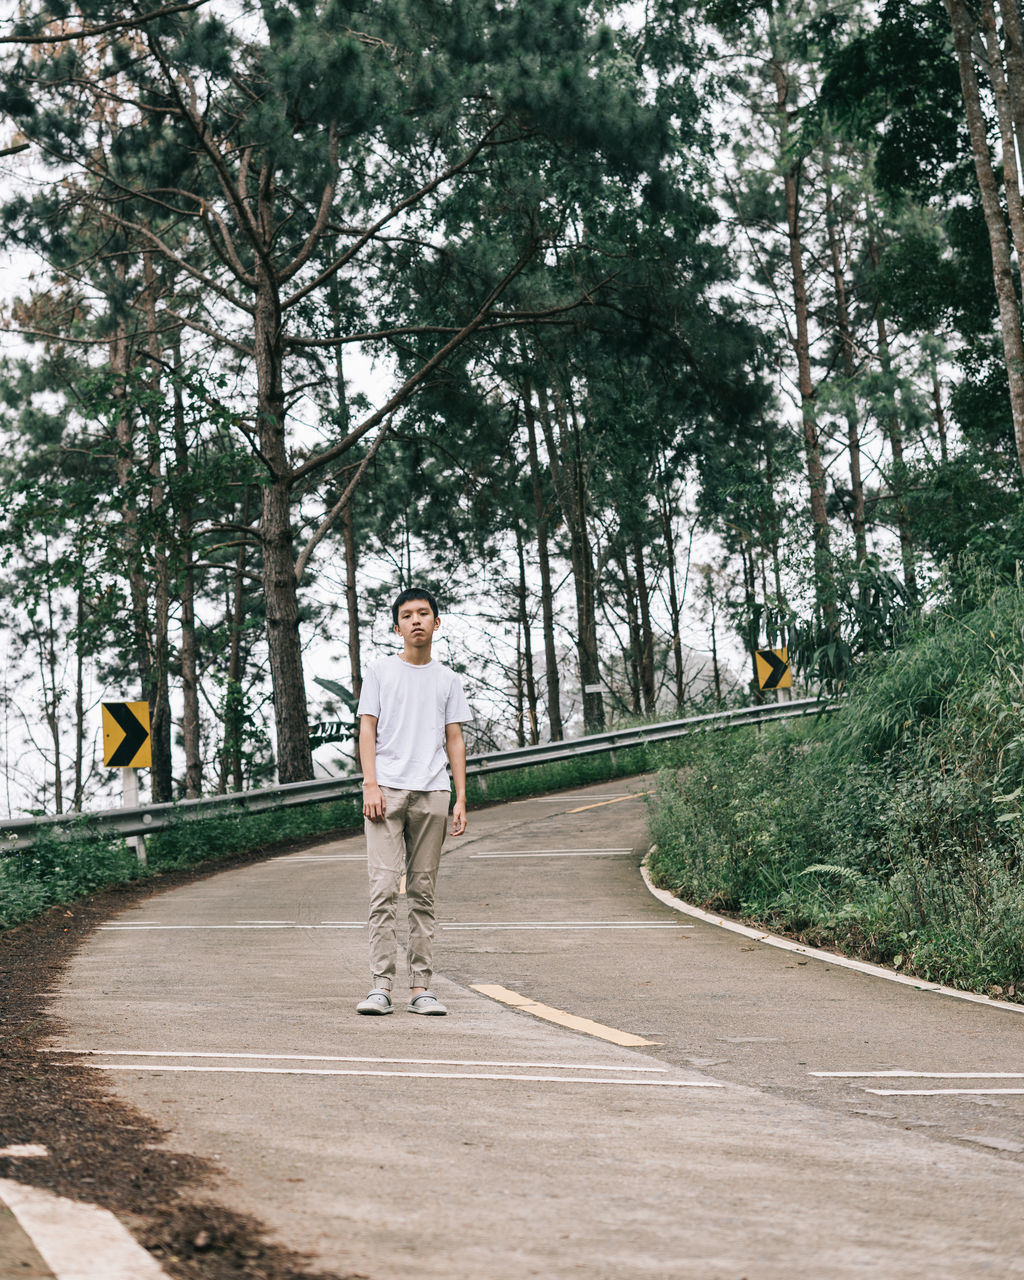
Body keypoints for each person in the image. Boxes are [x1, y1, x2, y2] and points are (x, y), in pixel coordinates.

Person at [354, 587, 471, 1016]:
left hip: (433, 792)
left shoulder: (448, 679)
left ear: (436, 623)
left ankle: (422, 988)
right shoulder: (381, 672)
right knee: (383, 891)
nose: (416, 621)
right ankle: (380, 987)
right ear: (397, 625)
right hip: (385, 791)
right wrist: (370, 783)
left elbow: (454, 739)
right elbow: (368, 730)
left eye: (424, 614)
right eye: (407, 615)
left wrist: (460, 797)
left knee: (422, 893)